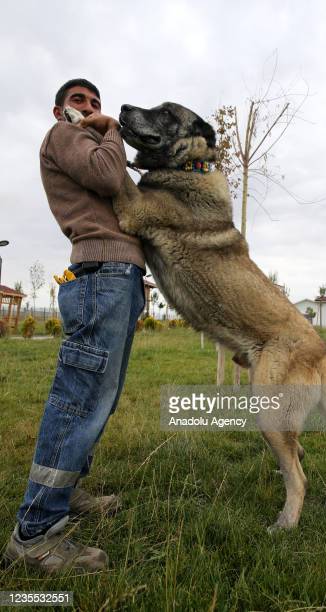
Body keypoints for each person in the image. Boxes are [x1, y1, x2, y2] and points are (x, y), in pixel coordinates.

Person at [4, 78, 145, 573]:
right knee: (79, 400)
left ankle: (67, 492)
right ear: (59, 110)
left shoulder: (88, 143)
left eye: (96, 103)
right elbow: (109, 179)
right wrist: (110, 130)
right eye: (79, 101)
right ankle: (35, 532)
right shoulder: (66, 136)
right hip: (101, 275)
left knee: (96, 402)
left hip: (118, 275)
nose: (91, 108)